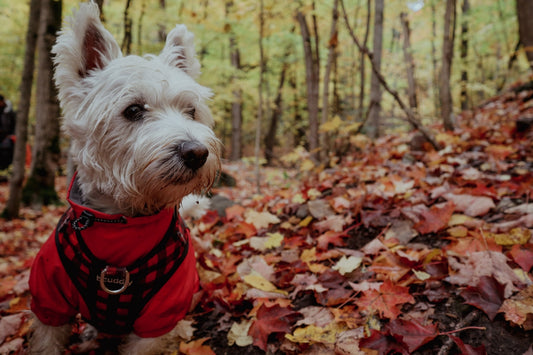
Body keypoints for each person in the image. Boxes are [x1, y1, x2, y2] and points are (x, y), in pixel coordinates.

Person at [0, 95, 16, 170]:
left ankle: (6, 169)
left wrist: (11, 135)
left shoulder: (10, 112)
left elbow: (13, 126)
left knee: (6, 150)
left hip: (8, 138)